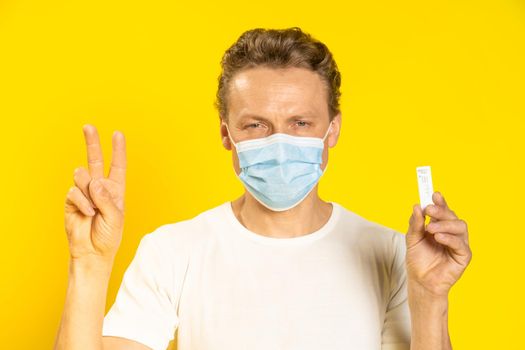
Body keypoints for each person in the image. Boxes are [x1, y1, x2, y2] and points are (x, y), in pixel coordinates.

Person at [54, 27, 472, 350]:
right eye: (256, 125)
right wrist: (88, 266)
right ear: (226, 134)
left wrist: (431, 298)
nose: (279, 141)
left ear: (332, 130)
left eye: (300, 123)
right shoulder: (173, 251)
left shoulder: (390, 255)